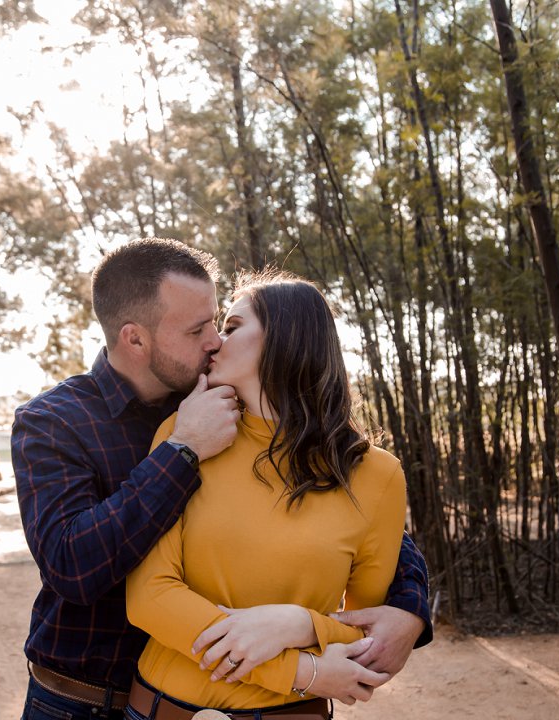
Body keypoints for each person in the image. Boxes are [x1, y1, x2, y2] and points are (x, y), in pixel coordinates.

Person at [12, 239, 430, 720]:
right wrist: (181, 451)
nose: (213, 340)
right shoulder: (55, 421)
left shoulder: (221, 397)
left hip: (225, 693)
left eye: (219, 322)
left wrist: (410, 610)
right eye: (198, 329)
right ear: (135, 339)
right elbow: (72, 567)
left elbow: (358, 524)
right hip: (81, 697)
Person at [123, 270, 407, 720]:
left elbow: (369, 635)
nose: (214, 342)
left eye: (233, 327)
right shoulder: (185, 436)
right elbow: (148, 599)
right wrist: (298, 668)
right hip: (159, 711)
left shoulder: (378, 476)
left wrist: (298, 623)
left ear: (287, 338)